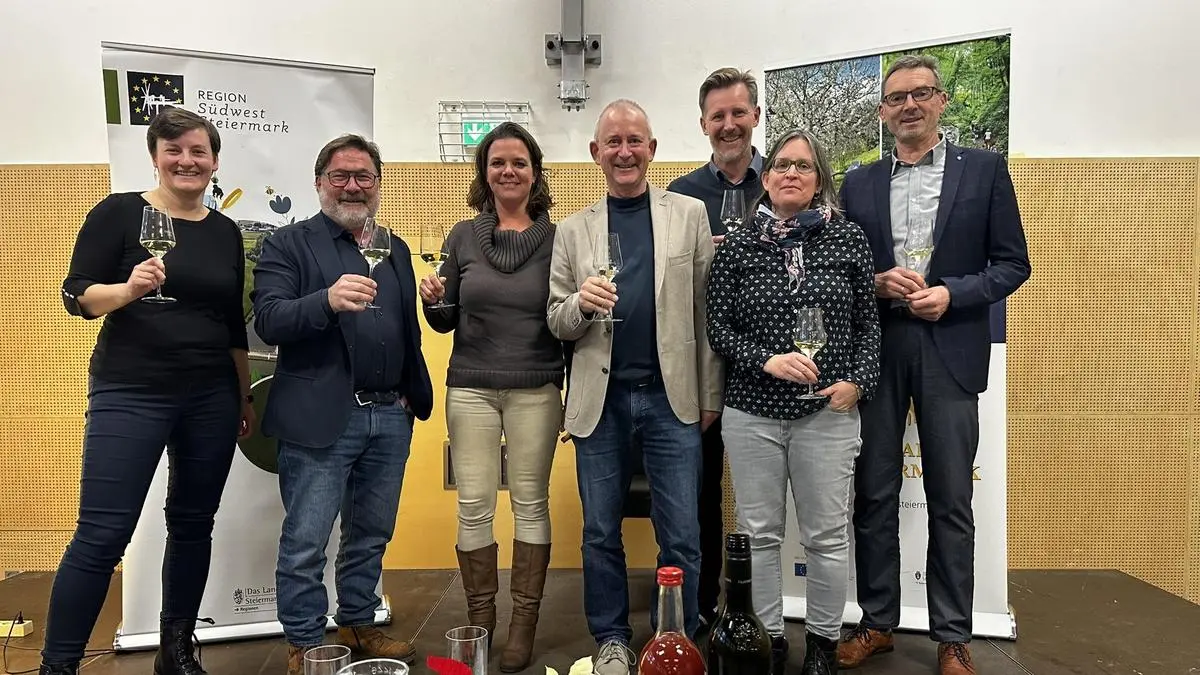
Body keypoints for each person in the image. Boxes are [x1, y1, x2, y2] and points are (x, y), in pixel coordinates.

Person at [836, 55, 1030, 675]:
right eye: (897, 97)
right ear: (883, 111)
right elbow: (841, 271)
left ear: (941, 101)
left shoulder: (985, 170)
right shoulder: (859, 183)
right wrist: (874, 283)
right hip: (881, 348)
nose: (909, 105)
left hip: (951, 346)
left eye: (921, 93)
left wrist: (954, 292)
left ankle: (952, 636)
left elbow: (1013, 264)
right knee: (874, 493)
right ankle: (877, 622)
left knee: (951, 498)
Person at [45, 107, 254, 675]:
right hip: (130, 389)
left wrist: (242, 396)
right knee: (103, 532)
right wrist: (127, 289)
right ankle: (59, 665)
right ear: (155, 157)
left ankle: (176, 653)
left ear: (214, 162)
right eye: (174, 150)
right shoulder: (119, 212)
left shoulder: (224, 231)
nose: (187, 161)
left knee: (192, 523)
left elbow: (231, 325)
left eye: (198, 151)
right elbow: (77, 296)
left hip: (210, 394)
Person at [547, 99, 723, 675]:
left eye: (634, 141)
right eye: (613, 142)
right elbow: (556, 320)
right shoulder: (572, 231)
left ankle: (677, 638)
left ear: (652, 149)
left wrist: (709, 395)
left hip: (673, 400)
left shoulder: (690, 215)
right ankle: (612, 639)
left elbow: (707, 315)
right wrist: (580, 304)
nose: (624, 152)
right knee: (600, 531)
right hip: (600, 405)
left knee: (683, 533)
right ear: (595, 153)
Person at [250, 134, 434, 675]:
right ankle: (306, 642)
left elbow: (402, 327)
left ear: (378, 184)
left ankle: (357, 621)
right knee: (307, 539)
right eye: (340, 176)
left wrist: (408, 394)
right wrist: (326, 300)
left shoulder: (394, 246)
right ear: (319, 183)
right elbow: (269, 319)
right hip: (321, 418)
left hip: (389, 414)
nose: (353, 186)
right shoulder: (288, 244)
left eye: (364, 176)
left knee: (371, 534)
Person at [706, 127, 880, 675]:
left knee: (826, 537)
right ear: (766, 177)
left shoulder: (848, 238)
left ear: (819, 178)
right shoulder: (738, 243)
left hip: (828, 412)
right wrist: (767, 360)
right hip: (752, 412)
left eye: (803, 166)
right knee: (759, 536)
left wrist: (858, 383)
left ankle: (823, 646)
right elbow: (718, 328)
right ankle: (769, 640)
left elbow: (869, 324)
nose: (791, 174)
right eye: (782, 164)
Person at [418, 122, 564, 673]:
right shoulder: (461, 236)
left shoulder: (559, 238)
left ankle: (523, 625)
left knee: (530, 503)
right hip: (471, 388)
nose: (508, 171)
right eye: (497, 162)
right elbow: (444, 319)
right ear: (484, 172)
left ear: (535, 172)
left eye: (519, 162)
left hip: (536, 387)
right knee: (474, 504)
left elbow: (566, 316)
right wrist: (433, 300)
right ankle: (480, 622)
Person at [666, 66, 765, 630]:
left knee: (761, 497)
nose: (729, 124)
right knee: (700, 494)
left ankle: (761, 608)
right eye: (717, 115)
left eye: (738, 112)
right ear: (703, 124)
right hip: (700, 366)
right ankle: (702, 607)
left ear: (756, 116)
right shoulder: (680, 196)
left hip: (766, 367)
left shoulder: (784, 180)